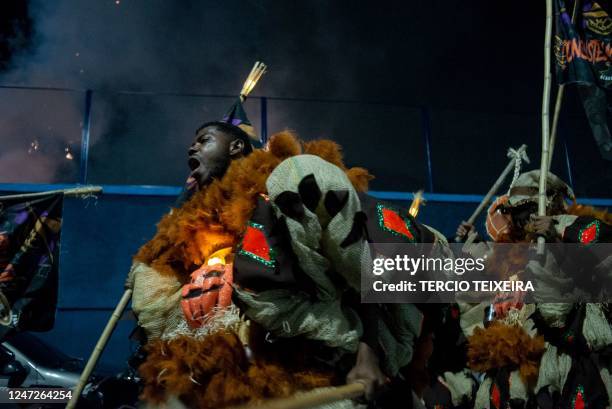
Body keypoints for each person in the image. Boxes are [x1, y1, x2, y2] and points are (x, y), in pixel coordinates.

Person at [435, 170, 612, 409]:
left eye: (526, 211)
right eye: (516, 213)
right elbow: (483, 306)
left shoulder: (578, 230)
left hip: (569, 364)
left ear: (548, 202)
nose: (520, 220)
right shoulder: (511, 254)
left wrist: (557, 235)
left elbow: (559, 310)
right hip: (510, 373)